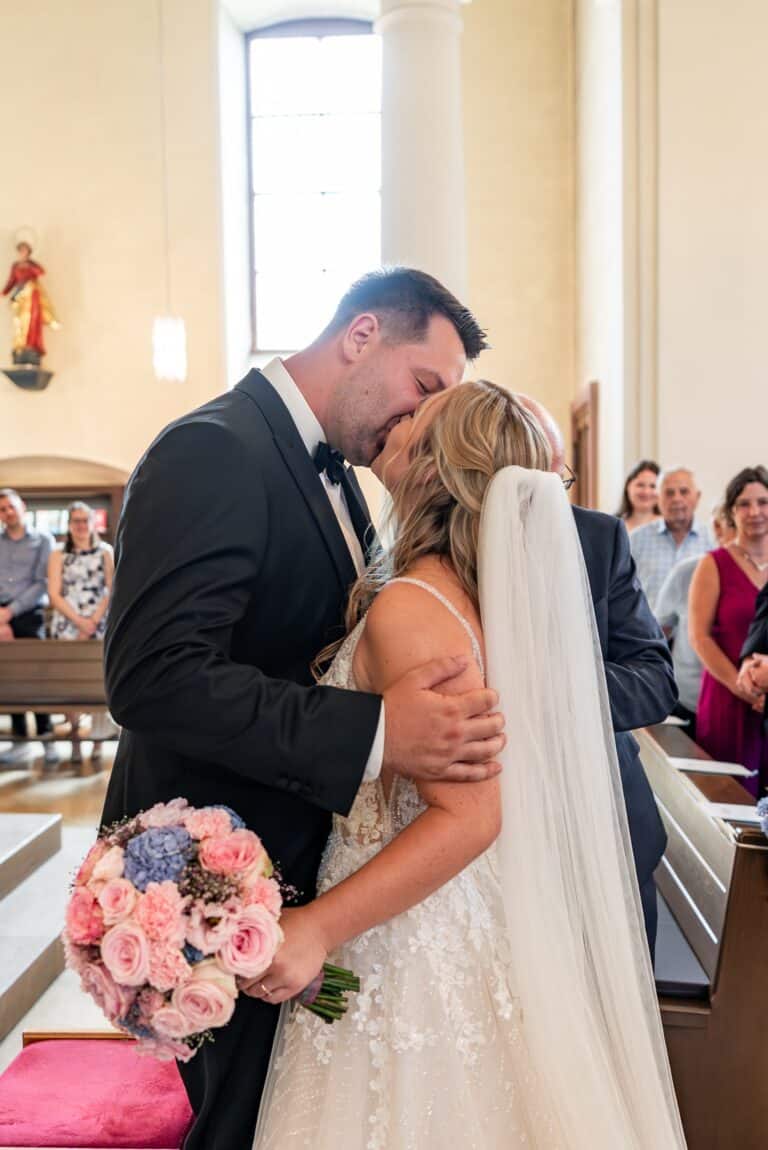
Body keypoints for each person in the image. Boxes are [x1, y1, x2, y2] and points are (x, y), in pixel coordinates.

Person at [100, 268, 506, 1150]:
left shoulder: (344, 478)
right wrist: (378, 732)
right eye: (423, 386)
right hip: (213, 878)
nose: (420, 417)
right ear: (361, 336)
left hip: (289, 880)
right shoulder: (215, 447)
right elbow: (154, 674)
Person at [251, 382, 686, 1150]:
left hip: (407, 942)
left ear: (435, 467)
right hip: (443, 919)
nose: (399, 416)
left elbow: (472, 816)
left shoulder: (415, 610)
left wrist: (315, 928)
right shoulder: (476, 602)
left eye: (418, 419)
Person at [519, 398, 674, 958]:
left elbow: (655, 679)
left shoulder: (599, 539)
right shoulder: (439, 550)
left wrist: (550, 691)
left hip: (609, 826)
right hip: (494, 834)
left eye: (561, 476)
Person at [690, 466, 768, 797]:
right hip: (728, 699)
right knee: (731, 797)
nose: (755, 512)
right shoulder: (714, 563)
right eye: (744, 504)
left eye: (763, 502)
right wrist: (743, 688)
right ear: (731, 512)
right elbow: (700, 637)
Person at [656, 504, 737, 739]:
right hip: (689, 704)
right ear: (718, 529)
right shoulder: (688, 571)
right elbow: (659, 634)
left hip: (746, 708)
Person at [48, 502, 114, 764]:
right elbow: (54, 592)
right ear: (69, 524)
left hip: (98, 622)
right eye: (76, 521)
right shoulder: (58, 553)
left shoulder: (105, 551)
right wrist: (78, 620)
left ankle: (97, 739)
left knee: (98, 681)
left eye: (85, 520)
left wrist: (93, 620)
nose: (81, 526)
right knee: (70, 683)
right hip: (68, 623)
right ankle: (75, 734)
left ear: (92, 523)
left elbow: (111, 588)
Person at [0, 488, 57, 768]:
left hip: (29, 613)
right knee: (9, 677)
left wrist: (10, 612)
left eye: (10, 507)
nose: (7, 512)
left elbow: (42, 583)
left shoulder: (43, 540)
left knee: (38, 676)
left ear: (22, 507)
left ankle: (47, 739)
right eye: (2, 509)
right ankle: (20, 740)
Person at [631, 466, 712, 613]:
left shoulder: (713, 540)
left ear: (697, 497)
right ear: (658, 498)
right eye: (669, 493)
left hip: (693, 634)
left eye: (684, 492)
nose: (676, 498)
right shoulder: (635, 540)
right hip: (648, 633)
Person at [2, 241, 58, 364]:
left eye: (25, 250)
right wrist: (3, 292)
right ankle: (20, 346)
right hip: (20, 298)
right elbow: (11, 281)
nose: (22, 253)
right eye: (21, 250)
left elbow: (41, 272)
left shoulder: (31, 265)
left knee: (31, 322)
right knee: (20, 322)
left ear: (28, 252)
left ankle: (32, 346)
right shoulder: (16, 266)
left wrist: (29, 264)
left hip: (32, 297)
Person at [617, 459, 662, 533]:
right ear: (628, 487)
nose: (646, 492)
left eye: (653, 486)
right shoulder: (614, 525)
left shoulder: (670, 526)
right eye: (640, 485)